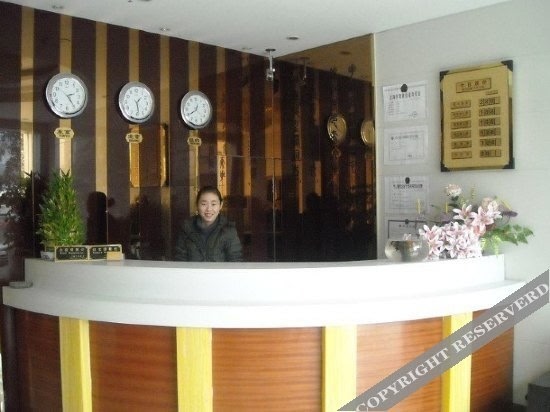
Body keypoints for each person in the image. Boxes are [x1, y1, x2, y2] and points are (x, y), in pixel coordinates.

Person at [174, 186, 242, 262]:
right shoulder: (187, 228)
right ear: (197, 205)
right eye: (204, 204)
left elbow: (235, 261)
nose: (209, 209)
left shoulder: (228, 230)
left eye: (213, 204)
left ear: (220, 205)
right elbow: (180, 259)